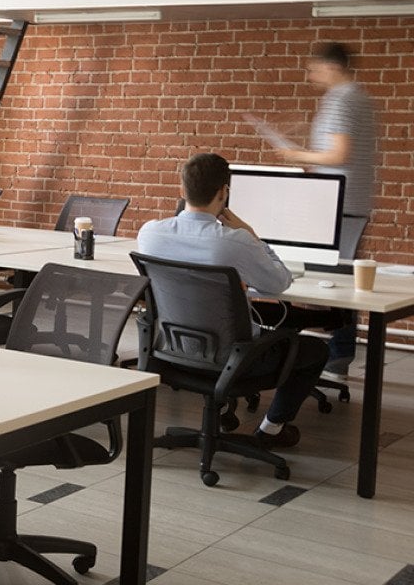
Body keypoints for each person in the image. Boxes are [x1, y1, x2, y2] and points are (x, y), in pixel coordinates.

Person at [138, 153, 330, 448]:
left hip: (171, 351)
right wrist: (251, 234)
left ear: (182, 190)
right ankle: (271, 429)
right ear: (223, 192)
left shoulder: (150, 234)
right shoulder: (234, 241)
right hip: (233, 360)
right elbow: (278, 283)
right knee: (315, 349)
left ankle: (228, 411)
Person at [278, 41, 376, 382]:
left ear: (332, 67)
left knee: (331, 285)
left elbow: (339, 155)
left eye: (314, 68)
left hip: (339, 205)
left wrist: (298, 156)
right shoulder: (361, 97)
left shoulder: (341, 99)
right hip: (352, 201)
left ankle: (332, 359)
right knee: (341, 282)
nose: (311, 74)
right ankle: (337, 357)